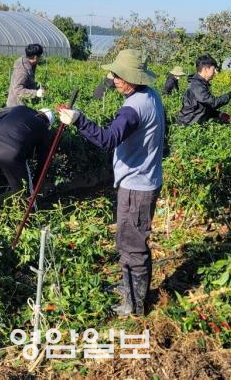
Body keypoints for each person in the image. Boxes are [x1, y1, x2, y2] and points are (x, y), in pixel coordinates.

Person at [58, 49, 165, 317]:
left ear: (133, 78)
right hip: (144, 178)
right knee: (128, 239)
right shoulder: (151, 95)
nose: (113, 79)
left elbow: (107, 139)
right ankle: (127, 287)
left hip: (137, 186)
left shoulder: (132, 109)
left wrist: (79, 120)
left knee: (133, 245)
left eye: (118, 75)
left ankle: (135, 305)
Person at [0, 106, 55, 216]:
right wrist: (34, 185)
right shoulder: (44, 128)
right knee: (23, 193)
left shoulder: (21, 108)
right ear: (48, 123)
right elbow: (43, 162)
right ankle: (28, 221)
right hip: (11, 152)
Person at [176, 54, 231, 126]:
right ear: (206, 69)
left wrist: (219, 114)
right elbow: (213, 103)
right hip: (188, 124)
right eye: (213, 69)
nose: (216, 72)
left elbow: (203, 106)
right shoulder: (197, 85)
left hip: (193, 122)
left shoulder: (200, 83)